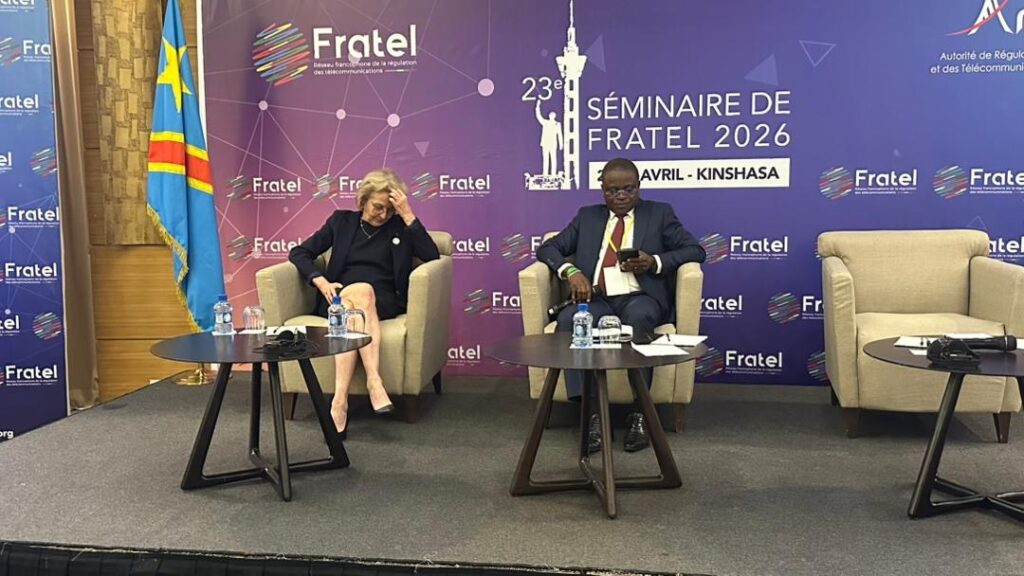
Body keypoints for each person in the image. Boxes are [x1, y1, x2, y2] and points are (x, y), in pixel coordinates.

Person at [535, 158, 706, 453]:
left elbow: (695, 250)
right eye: (613, 190)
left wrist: (654, 261)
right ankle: (590, 415)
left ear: (639, 186)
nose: (621, 196)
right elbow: (548, 248)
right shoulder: (587, 217)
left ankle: (640, 414)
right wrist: (571, 272)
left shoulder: (659, 214)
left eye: (629, 189)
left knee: (641, 317)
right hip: (597, 298)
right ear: (602, 189)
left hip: (638, 296)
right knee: (572, 321)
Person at [289, 169, 440, 437]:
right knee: (352, 306)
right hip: (337, 298)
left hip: (383, 299)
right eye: (377, 207)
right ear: (363, 200)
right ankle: (373, 383)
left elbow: (431, 256)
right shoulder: (341, 222)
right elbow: (299, 253)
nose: (383, 215)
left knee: (364, 292)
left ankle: (339, 403)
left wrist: (406, 213)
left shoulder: (400, 227)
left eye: (389, 210)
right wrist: (321, 282)